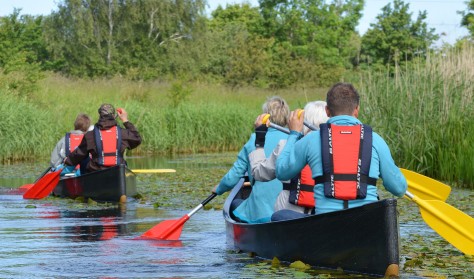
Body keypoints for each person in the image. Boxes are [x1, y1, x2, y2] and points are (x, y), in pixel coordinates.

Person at [275, 82, 407, 217]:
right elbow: (399, 188)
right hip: (367, 224)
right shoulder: (375, 140)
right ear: (356, 110)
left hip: (326, 224)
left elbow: (282, 172)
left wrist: (293, 134)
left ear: (327, 111)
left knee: (279, 216)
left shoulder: (311, 140)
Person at [212, 96, 290, 223]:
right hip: (288, 210)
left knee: (235, 203)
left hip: (260, 213)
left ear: (264, 117)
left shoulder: (254, 140)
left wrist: (220, 188)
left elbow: (235, 175)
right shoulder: (294, 138)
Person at [249, 101, 329, 218]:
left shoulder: (286, 146)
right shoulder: (335, 149)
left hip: (289, 214)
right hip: (324, 212)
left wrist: (259, 142)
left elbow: (259, 173)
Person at [62, 103, 142, 174]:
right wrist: (125, 120)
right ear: (114, 116)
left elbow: (79, 154)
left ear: (100, 116)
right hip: (117, 172)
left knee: (84, 160)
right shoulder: (123, 134)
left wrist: (68, 160)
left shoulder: (90, 135)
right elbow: (137, 138)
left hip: (96, 173)